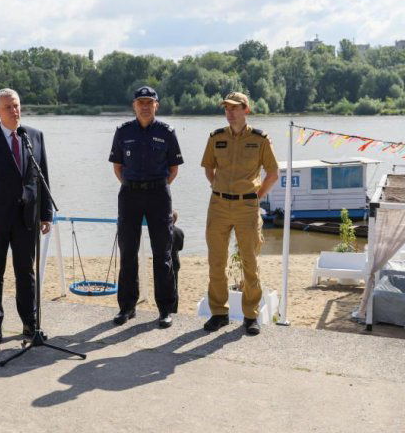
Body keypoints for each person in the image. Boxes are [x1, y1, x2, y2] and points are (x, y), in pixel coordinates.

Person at [0, 88, 52, 344]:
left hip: (27, 218)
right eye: (8, 107)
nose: (14, 111)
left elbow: (42, 177)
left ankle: (30, 323)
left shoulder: (34, 136)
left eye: (16, 105)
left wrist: (46, 213)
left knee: (25, 272)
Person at [201, 92, 279, 336]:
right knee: (216, 261)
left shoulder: (260, 139)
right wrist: (219, 189)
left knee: (249, 262)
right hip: (219, 206)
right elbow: (208, 168)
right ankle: (219, 313)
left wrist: (257, 196)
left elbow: (273, 173)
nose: (230, 112)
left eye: (235, 108)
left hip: (247, 207)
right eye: (227, 108)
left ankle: (250, 315)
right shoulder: (216, 137)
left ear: (246, 109)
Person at [109, 86, 183, 328]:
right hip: (129, 194)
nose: (144, 106)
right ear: (134, 106)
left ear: (156, 106)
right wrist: (133, 186)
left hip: (159, 195)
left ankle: (165, 309)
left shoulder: (167, 132)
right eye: (140, 102)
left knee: (162, 254)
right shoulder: (123, 132)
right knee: (128, 253)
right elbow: (118, 166)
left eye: (149, 102)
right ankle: (127, 307)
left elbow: (173, 169)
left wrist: (155, 187)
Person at [171, 210, 184, 313]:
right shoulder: (180, 232)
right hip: (175, 260)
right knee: (175, 287)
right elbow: (180, 248)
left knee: (166, 286)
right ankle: (174, 309)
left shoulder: (164, 231)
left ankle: (167, 308)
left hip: (167, 260)